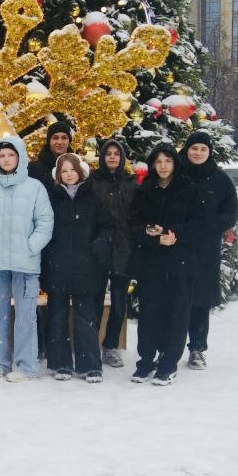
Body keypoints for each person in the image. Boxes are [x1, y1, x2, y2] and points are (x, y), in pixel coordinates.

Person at [0, 134, 53, 382]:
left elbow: (45, 222)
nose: (7, 159)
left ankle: (26, 365)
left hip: (26, 265)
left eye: (11, 155)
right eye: (3, 155)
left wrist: (30, 247)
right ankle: (0, 362)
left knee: (26, 316)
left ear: (20, 157)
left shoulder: (34, 187)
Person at [127, 144, 196, 385]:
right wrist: (152, 236)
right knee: (150, 313)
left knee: (176, 312)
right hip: (152, 261)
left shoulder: (188, 189)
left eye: (168, 160)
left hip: (180, 261)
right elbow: (134, 225)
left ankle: (168, 363)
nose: (163, 165)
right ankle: (146, 360)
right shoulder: (144, 191)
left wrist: (175, 234)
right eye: (159, 161)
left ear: (175, 163)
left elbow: (198, 224)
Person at [42, 153, 112, 383]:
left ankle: (90, 364)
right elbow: (42, 228)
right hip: (57, 266)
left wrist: (97, 248)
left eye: (72, 169)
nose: (69, 174)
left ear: (80, 171)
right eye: (64, 171)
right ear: (58, 175)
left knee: (86, 317)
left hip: (86, 266)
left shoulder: (93, 197)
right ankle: (60, 363)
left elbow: (106, 227)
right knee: (57, 316)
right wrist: (49, 254)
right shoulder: (52, 199)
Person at [177, 131, 238, 372]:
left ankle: (197, 349)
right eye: (194, 148)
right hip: (178, 246)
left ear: (209, 152)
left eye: (203, 149)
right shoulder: (176, 174)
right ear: (187, 150)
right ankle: (171, 345)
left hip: (205, 250)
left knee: (200, 302)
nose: (198, 153)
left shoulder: (220, 179)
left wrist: (210, 224)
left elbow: (231, 212)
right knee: (176, 298)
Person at [88, 138, 137, 369]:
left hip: (123, 251)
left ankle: (110, 346)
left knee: (119, 303)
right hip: (98, 251)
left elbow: (136, 218)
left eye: (117, 153)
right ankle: (91, 344)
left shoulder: (131, 184)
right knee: (95, 301)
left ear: (122, 157)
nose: (112, 157)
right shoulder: (93, 182)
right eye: (108, 153)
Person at [29, 121, 73, 186]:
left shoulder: (78, 168)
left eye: (64, 138)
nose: (60, 142)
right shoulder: (33, 169)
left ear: (69, 141)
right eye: (55, 138)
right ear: (49, 141)